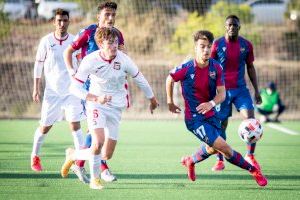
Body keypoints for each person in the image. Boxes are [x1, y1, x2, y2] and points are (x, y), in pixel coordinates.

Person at [60, 27, 159, 190]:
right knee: (97, 143)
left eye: (116, 42)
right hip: (96, 104)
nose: (114, 45)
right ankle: (95, 180)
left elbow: (139, 78)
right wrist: (95, 98)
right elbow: (74, 88)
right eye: (110, 43)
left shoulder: (124, 59)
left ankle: (73, 154)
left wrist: (152, 98)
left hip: (116, 108)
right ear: (100, 44)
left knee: (106, 154)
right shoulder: (90, 60)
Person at [166, 30, 267, 187]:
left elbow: (222, 94)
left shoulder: (216, 67)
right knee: (225, 148)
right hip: (194, 119)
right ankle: (253, 170)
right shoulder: (186, 68)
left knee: (213, 148)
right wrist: (170, 102)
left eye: (208, 46)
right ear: (196, 48)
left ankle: (190, 161)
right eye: (202, 46)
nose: (205, 50)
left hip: (211, 114)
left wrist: (211, 104)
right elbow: (169, 79)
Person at [63, 1, 125, 182]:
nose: (111, 18)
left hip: (109, 92)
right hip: (90, 90)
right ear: (99, 16)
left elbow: (122, 59)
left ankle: (77, 161)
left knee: (98, 132)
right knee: (96, 130)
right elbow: (69, 51)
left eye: (113, 15)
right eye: (107, 14)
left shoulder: (118, 35)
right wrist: (72, 72)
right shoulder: (88, 32)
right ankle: (102, 168)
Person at [30, 9, 86, 182]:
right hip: (52, 93)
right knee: (45, 127)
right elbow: (38, 65)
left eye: (65, 20)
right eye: (59, 20)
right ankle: (34, 157)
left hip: (71, 92)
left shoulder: (74, 41)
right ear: (54, 22)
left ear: (69, 22)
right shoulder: (46, 41)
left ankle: (80, 164)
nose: (62, 23)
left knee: (75, 126)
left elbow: (80, 63)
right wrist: (36, 88)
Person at [210, 15, 262, 171]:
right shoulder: (217, 44)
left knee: (251, 121)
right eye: (229, 25)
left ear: (239, 27)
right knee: (221, 125)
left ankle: (250, 156)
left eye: (235, 25)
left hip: (241, 90)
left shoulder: (246, 45)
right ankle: (220, 160)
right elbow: (210, 67)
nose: (232, 27)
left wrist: (257, 91)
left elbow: (250, 67)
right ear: (225, 27)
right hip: (222, 91)